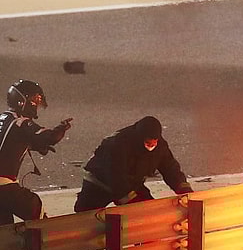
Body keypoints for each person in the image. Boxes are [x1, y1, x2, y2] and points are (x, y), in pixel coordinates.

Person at [74, 116, 193, 212]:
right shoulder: (118, 144)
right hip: (100, 183)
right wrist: (134, 202)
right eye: (148, 142)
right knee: (86, 220)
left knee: (151, 214)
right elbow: (116, 178)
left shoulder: (160, 147)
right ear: (140, 138)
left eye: (154, 142)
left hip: (132, 182)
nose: (151, 145)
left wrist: (183, 188)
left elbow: (170, 168)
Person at [0, 80, 73, 225]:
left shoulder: (4, 119)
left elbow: (10, 142)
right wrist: (61, 129)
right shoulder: (21, 122)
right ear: (22, 101)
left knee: (5, 228)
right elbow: (50, 137)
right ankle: (50, 243)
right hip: (4, 186)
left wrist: (35, 145)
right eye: (34, 100)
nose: (36, 105)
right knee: (35, 209)